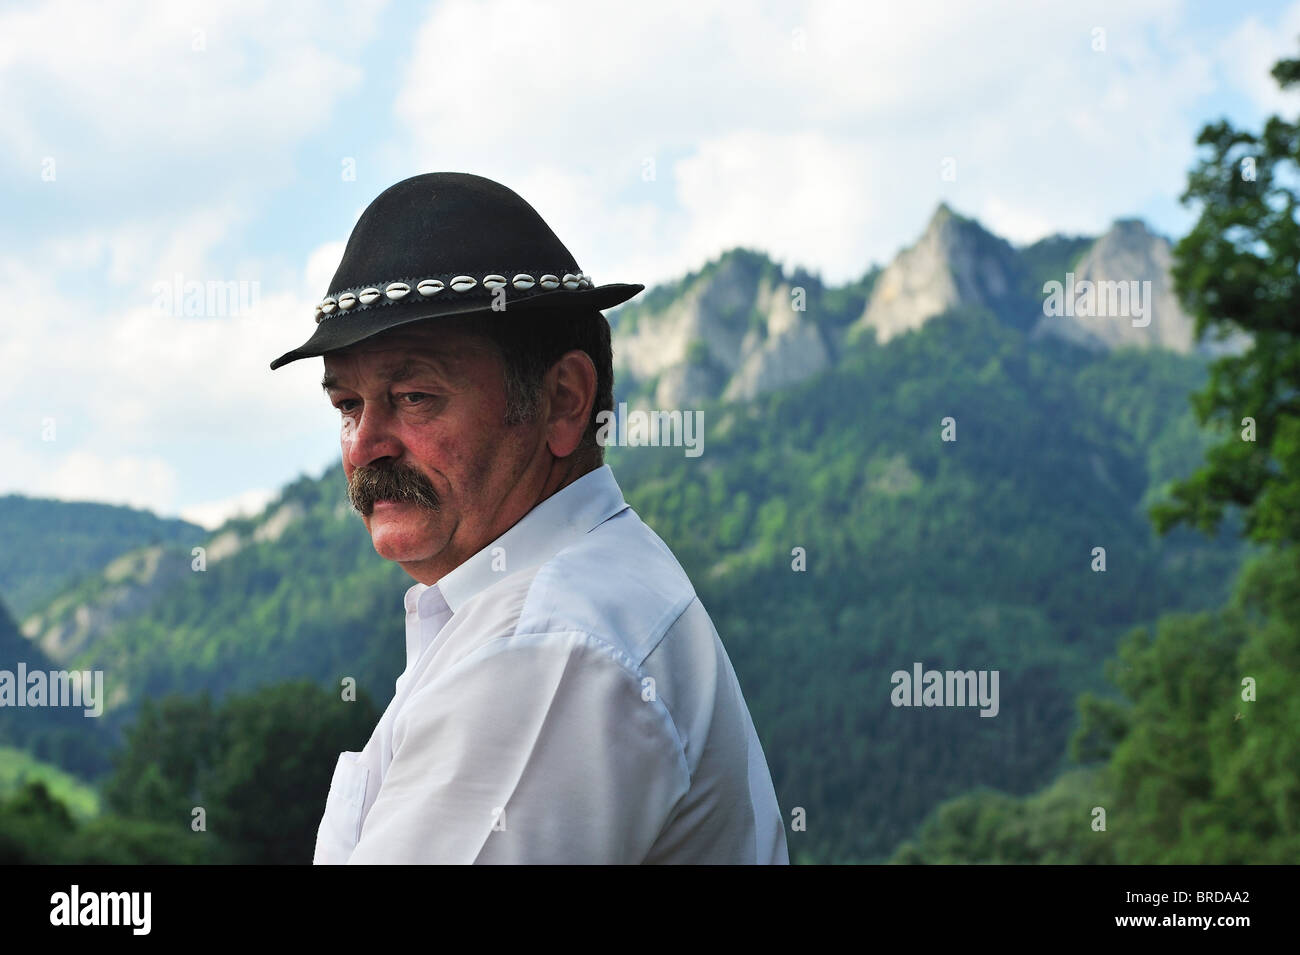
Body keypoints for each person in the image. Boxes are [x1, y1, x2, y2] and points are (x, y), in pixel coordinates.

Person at [269, 172, 788, 864]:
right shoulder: (564, 601)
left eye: (415, 395)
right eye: (347, 406)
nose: (365, 445)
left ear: (565, 401)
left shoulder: (547, 643)